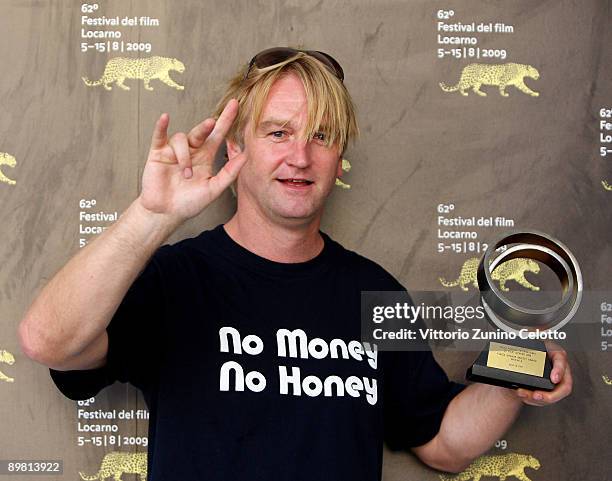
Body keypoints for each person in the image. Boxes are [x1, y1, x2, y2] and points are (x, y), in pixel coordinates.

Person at [19, 47, 572, 481]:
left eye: (322, 136)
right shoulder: (175, 279)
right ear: (236, 148)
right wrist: (151, 215)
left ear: (339, 157)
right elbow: (49, 340)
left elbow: (445, 443)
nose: (300, 156)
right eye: (278, 132)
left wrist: (513, 376)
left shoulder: (374, 292)